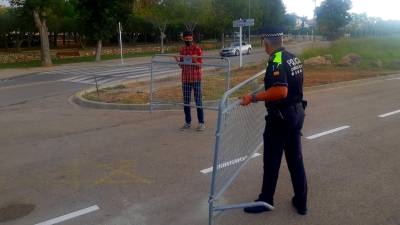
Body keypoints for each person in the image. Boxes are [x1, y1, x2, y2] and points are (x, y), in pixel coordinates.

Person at [240, 27, 308, 215]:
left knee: (271, 160)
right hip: (296, 114)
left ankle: (265, 200)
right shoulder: (292, 57)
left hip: (280, 118)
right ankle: (301, 202)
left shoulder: (276, 61)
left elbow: (281, 90)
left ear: (266, 42)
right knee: (295, 160)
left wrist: (252, 98)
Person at [176, 31, 205, 131]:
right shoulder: (182, 50)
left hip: (196, 79)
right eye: (186, 39)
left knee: (198, 101)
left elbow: (200, 65)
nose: (188, 40)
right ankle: (187, 122)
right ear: (183, 39)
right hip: (185, 79)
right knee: (186, 102)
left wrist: (195, 60)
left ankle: (201, 123)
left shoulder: (197, 49)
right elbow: (182, 66)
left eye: (190, 38)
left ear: (192, 38)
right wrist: (177, 61)